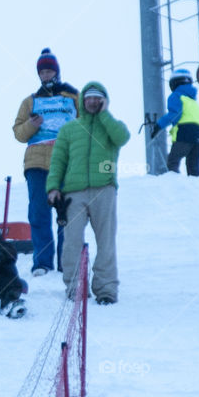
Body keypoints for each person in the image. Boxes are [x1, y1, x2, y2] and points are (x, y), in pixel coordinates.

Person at [46, 82, 130, 305]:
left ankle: (106, 290)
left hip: (105, 189)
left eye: (97, 98)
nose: (92, 101)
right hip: (74, 192)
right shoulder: (69, 129)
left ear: (104, 101)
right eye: (89, 98)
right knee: (71, 240)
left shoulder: (112, 125)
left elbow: (122, 138)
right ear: (82, 101)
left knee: (106, 242)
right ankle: (75, 288)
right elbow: (58, 160)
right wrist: (53, 187)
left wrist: (105, 115)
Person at [12, 48, 80, 275]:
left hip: (66, 161)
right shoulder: (29, 101)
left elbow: (88, 124)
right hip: (37, 163)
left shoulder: (72, 97)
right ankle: (42, 262)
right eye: (42, 72)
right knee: (39, 213)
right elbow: (19, 133)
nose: (46, 75)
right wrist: (32, 124)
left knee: (67, 212)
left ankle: (65, 261)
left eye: (50, 70)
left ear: (57, 72)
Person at [150, 68, 199, 176]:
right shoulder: (194, 102)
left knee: (172, 162)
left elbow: (175, 113)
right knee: (193, 168)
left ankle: (173, 185)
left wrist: (159, 125)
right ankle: (198, 188)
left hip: (184, 135)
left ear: (174, 83)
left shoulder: (176, 96)